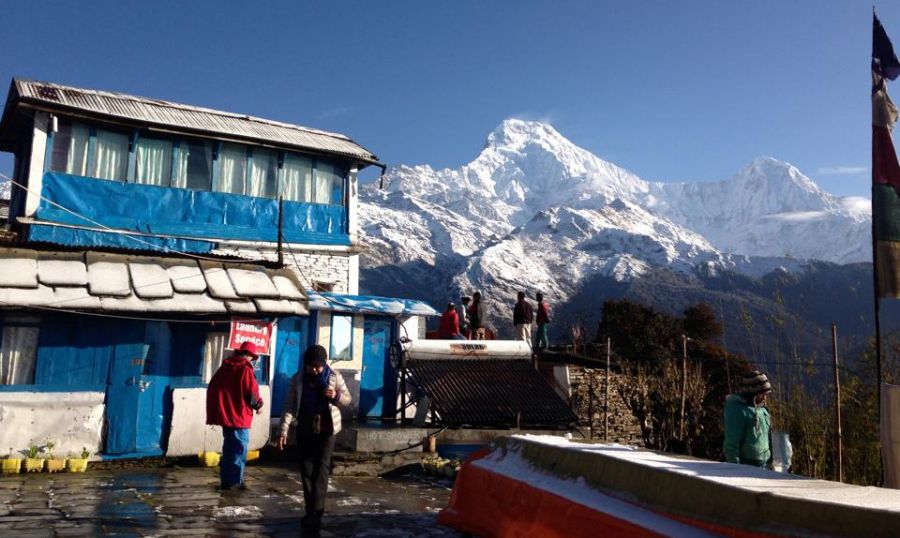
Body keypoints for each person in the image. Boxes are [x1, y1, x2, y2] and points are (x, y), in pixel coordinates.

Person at [276, 344, 351, 530]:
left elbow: (348, 399)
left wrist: (336, 395)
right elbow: (289, 406)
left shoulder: (334, 377)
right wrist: (283, 431)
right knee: (306, 470)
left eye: (318, 366)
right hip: (305, 428)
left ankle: (318, 511)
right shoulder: (298, 380)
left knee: (321, 469)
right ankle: (309, 510)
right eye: (311, 366)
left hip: (327, 428)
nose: (315, 370)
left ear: (324, 364)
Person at [206, 341, 264, 490]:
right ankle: (235, 482)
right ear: (249, 355)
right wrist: (258, 405)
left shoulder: (225, 366)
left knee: (228, 448)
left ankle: (226, 480)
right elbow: (251, 394)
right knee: (239, 449)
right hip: (239, 416)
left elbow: (213, 387)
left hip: (226, 416)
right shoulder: (245, 369)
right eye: (253, 357)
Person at [723, 370, 772, 468]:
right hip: (746, 466)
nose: (765, 398)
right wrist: (735, 468)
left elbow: (768, 437)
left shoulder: (763, 410)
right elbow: (732, 443)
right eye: (763, 394)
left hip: (764, 466)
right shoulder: (738, 410)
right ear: (754, 394)